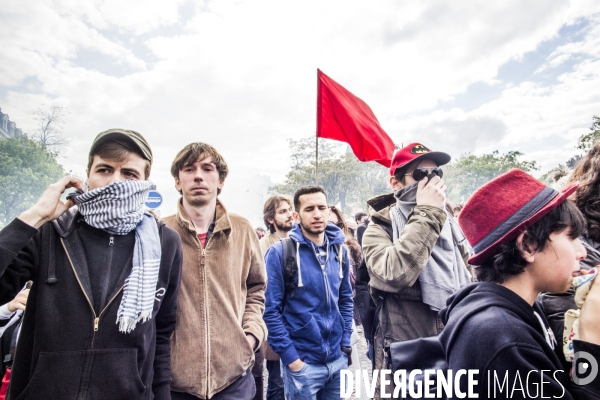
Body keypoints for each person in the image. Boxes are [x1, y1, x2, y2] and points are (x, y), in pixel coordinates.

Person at [0, 128, 183, 400]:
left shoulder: (164, 242)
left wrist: (161, 394)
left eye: (129, 174)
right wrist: (35, 216)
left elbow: (161, 331)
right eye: (105, 170)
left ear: (145, 181)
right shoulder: (49, 232)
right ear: (87, 175)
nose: (114, 182)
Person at [439, 168, 600, 399]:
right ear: (528, 246)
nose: (582, 252)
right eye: (571, 237)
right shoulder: (503, 339)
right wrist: (590, 340)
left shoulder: (525, 310)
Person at [361, 142, 472, 398]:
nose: (431, 181)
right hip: (407, 355)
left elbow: (469, 274)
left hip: (454, 343)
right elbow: (395, 273)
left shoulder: (450, 223)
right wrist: (428, 212)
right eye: (421, 174)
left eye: (436, 174)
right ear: (396, 183)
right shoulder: (380, 228)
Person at [164, 142, 267, 400]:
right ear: (178, 181)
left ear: (220, 180)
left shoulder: (243, 230)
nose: (198, 175)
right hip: (175, 381)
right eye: (189, 169)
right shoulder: (160, 232)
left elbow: (256, 288)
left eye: (207, 168)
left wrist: (252, 335)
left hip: (232, 379)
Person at [263, 185, 353, 400]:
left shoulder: (340, 251)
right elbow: (271, 311)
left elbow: (346, 299)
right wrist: (292, 359)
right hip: (302, 364)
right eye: (309, 208)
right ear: (297, 215)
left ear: (329, 211)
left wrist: (345, 343)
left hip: (337, 360)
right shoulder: (279, 253)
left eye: (321, 207)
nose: (317, 214)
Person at [258, 194, 294, 400]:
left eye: (290, 210)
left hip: (301, 324)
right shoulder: (264, 245)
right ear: (271, 219)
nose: (289, 215)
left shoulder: (302, 240)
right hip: (277, 322)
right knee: (277, 383)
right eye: (282, 211)